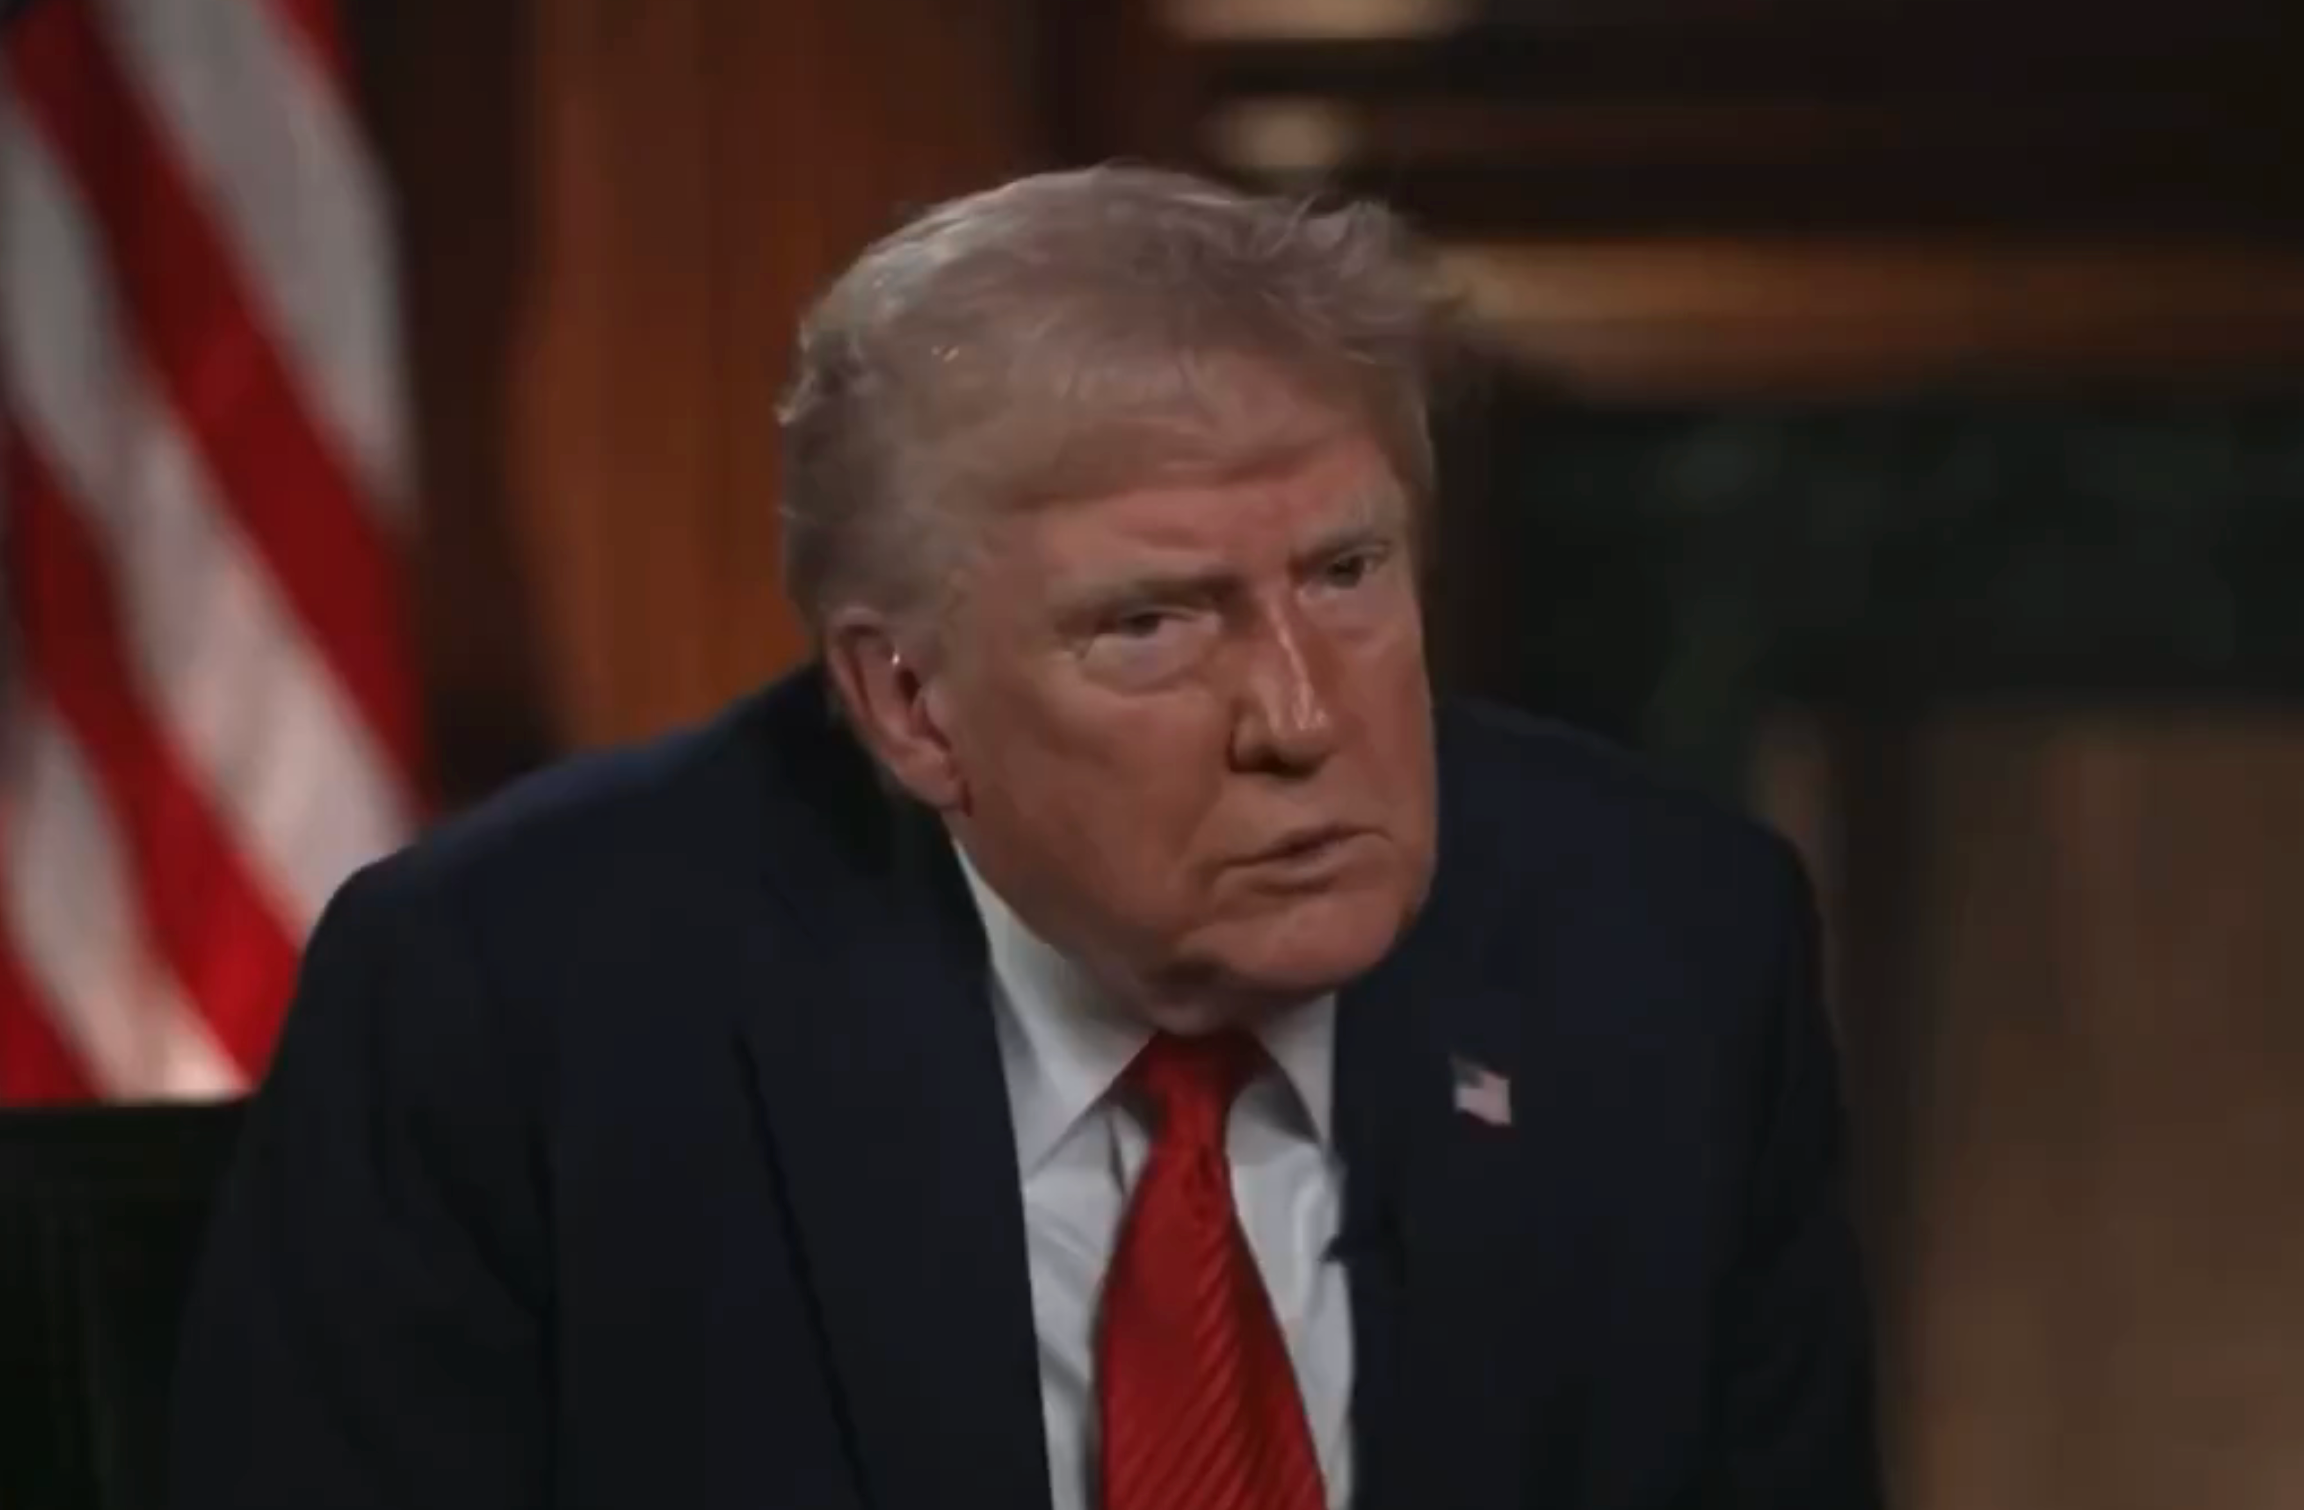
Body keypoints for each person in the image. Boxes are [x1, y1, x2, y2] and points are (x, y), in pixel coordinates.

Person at [166, 165, 1880, 1510]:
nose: (1299, 714)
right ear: (911, 702)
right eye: (1154, 622)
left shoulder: (1667, 953)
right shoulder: (522, 1003)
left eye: (1346, 575)